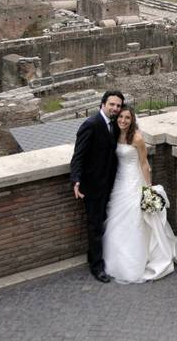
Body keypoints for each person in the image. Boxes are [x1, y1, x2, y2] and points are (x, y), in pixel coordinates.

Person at [102, 106, 177, 283]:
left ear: (132, 120)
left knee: (136, 219)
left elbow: (144, 164)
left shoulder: (137, 138)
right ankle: (116, 257)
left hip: (134, 182)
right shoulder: (114, 134)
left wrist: (148, 188)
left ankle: (140, 259)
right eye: (121, 117)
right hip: (119, 181)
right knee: (117, 220)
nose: (123, 120)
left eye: (127, 118)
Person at [70, 91, 123, 283]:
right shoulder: (90, 124)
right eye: (112, 104)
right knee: (95, 226)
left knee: (105, 223)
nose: (115, 108)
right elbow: (78, 155)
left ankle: (95, 256)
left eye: (118, 105)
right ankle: (97, 267)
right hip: (92, 187)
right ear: (103, 104)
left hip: (110, 184)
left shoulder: (115, 125)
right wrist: (76, 179)